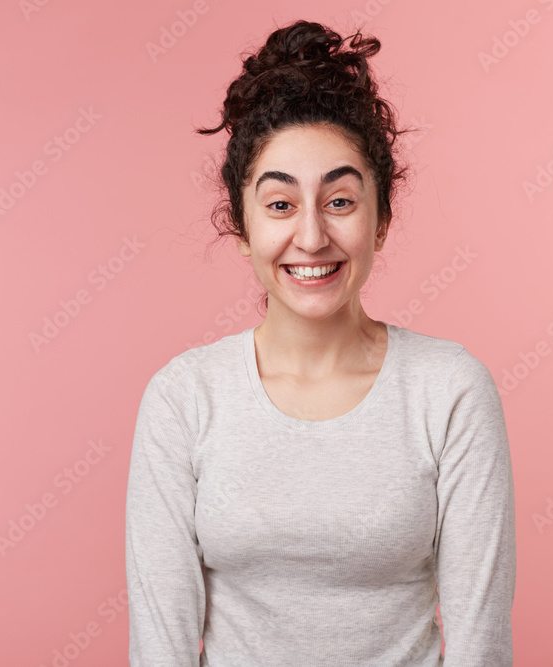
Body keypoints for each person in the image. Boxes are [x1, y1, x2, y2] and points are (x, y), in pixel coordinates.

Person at [126, 19, 515, 666]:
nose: (311, 237)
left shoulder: (450, 389)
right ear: (242, 225)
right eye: (280, 204)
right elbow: (160, 647)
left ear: (381, 220)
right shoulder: (183, 398)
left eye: (339, 200)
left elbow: (481, 645)